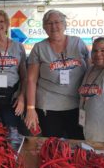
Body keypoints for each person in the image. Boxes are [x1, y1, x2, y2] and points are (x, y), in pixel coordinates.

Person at [25, 9, 89, 139]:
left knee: (77, 144)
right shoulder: (39, 48)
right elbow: (31, 80)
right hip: (49, 108)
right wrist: (30, 108)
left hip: (77, 105)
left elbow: (91, 70)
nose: (53, 26)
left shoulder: (78, 43)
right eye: (49, 23)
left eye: (57, 22)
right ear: (44, 28)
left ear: (64, 24)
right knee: (53, 146)